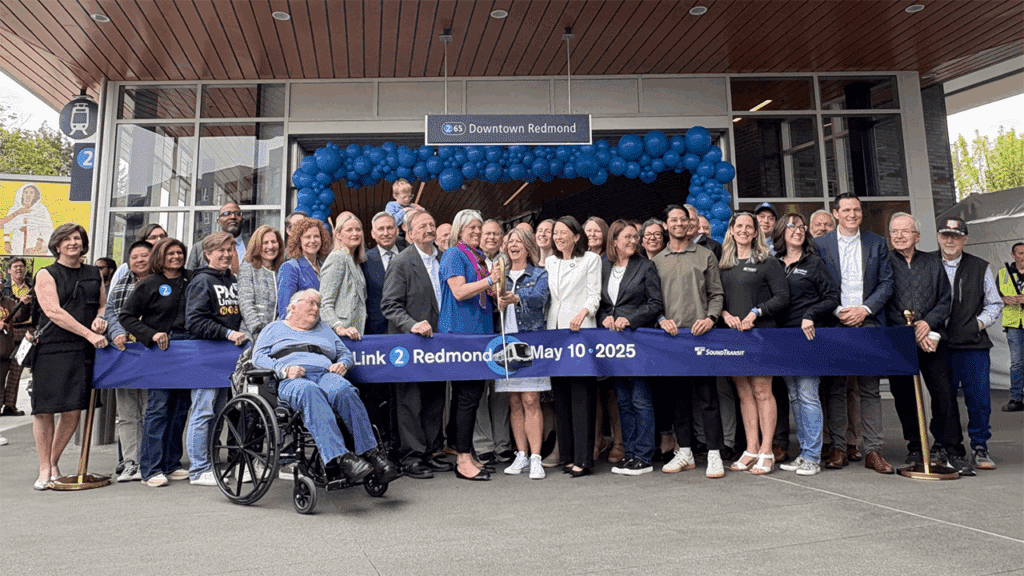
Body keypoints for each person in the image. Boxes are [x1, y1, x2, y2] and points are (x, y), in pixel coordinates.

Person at [252, 289, 399, 488]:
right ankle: (342, 457)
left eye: (318, 305)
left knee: (345, 391)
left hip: (325, 374)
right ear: (293, 306)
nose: (316, 308)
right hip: (294, 378)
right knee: (310, 392)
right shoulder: (273, 328)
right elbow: (258, 357)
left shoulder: (324, 329)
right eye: (311, 303)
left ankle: (373, 454)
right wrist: (283, 369)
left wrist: (343, 364)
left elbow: (344, 354)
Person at [813, 193, 894, 473]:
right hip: (834, 321)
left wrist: (865, 309)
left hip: (868, 321)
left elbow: (886, 282)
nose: (852, 214)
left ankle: (872, 449)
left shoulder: (877, 243)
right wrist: (837, 310)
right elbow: (817, 284)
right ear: (835, 213)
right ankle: (837, 446)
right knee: (835, 387)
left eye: (856, 210)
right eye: (846, 210)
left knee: (869, 388)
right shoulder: (820, 244)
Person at [883, 213, 965, 473]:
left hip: (931, 339)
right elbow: (882, 299)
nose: (898, 236)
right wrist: (909, 330)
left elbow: (945, 299)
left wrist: (927, 325)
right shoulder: (883, 262)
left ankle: (951, 447)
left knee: (943, 393)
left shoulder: (932, 262)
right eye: (894, 231)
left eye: (905, 231)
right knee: (904, 396)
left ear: (916, 236)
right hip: (898, 340)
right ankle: (916, 447)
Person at [30, 223, 108, 490]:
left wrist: (100, 320)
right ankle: (43, 467)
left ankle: (53, 462)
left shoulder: (93, 272)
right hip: (53, 346)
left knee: (74, 408)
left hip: (83, 348)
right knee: (44, 410)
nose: (73, 242)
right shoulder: (46, 274)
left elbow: (102, 304)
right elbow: (53, 312)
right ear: (57, 245)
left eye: (77, 238)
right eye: (67, 239)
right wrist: (89, 334)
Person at [653, 205, 727, 479]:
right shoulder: (658, 260)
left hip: (702, 336)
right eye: (673, 220)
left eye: (683, 220)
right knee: (678, 399)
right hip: (672, 339)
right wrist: (661, 318)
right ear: (666, 225)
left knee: (708, 398)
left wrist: (711, 318)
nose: (679, 224)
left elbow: (716, 294)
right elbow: (653, 301)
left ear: (690, 224)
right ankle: (684, 452)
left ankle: (714, 455)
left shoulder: (706, 255)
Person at [380, 209, 453, 479]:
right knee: (410, 401)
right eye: (422, 226)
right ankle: (412, 457)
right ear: (409, 234)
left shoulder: (445, 259)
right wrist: (412, 324)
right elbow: (389, 305)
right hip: (409, 343)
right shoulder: (401, 262)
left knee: (435, 398)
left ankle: (432, 450)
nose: (429, 229)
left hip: (439, 342)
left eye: (432, 224)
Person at [120, 237, 194, 487]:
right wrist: (150, 334)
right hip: (161, 349)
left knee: (180, 406)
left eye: (179, 252)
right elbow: (126, 316)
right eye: (170, 253)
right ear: (160, 257)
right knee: (158, 407)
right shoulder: (149, 284)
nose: (176, 257)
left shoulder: (191, 279)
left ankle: (172, 463)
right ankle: (150, 469)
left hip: (187, 347)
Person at [718, 212, 789, 475]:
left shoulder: (768, 263)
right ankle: (751, 448)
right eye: (740, 226)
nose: (745, 230)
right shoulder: (723, 263)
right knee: (744, 393)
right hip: (733, 335)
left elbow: (782, 297)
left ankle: (767, 451)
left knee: (762, 391)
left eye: (750, 226)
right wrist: (724, 315)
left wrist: (756, 313)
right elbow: (718, 298)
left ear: (756, 232)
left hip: (760, 334)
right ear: (732, 231)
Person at [772, 213, 839, 476]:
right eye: (792, 226)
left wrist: (810, 314)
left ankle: (812, 456)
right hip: (783, 339)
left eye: (801, 227)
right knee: (795, 397)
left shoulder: (814, 263)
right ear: (781, 231)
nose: (798, 231)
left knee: (809, 395)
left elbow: (832, 297)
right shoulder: (774, 263)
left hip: (808, 337)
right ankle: (804, 453)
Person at [597, 220, 663, 476]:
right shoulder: (603, 266)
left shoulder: (646, 266)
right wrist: (605, 316)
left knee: (640, 398)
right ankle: (631, 453)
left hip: (637, 341)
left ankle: (644, 457)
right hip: (613, 343)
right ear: (614, 240)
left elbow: (655, 303)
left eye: (636, 237)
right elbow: (601, 302)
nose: (633, 241)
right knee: (623, 400)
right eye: (628, 237)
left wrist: (631, 319)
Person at [937, 217, 1002, 471]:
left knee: (978, 398)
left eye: (956, 236)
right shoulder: (929, 263)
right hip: (940, 345)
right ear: (939, 237)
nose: (950, 240)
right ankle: (942, 445)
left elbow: (994, 303)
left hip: (973, 346)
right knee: (943, 399)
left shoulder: (979, 266)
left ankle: (979, 446)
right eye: (945, 235)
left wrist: (978, 324)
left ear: (965, 239)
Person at [439, 209, 500, 481]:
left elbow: (484, 293)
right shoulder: (454, 254)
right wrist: (489, 281)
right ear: (459, 230)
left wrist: (499, 292)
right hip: (462, 335)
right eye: (471, 227)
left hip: (479, 333)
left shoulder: (478, 258)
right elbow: (459, 291)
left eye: (479, 227)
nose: (477, 232)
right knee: (468, 396)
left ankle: (461, 448)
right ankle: (463, 459)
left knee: (468, 396)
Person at [184, 232, 248, 485]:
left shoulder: (232, 279)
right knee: (202, 412)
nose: (225, 254)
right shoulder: (201, 281)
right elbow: (195, 321)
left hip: (225, 358)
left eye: (229, 249)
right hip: (205, 355)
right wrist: (227, 332)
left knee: (218, 412)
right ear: (207, 254)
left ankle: (210, 464)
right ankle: (198, 469)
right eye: (220, 250)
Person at [546, 216, 601, 477]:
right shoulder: (549, 262)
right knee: (562, 397)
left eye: (563, 232)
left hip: (580, 331)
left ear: (577, 236)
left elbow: (594, 294)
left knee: (581, 397)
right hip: (554, 335)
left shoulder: (591, 260)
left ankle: (583, 459)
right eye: (555, 232)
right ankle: (567, 456)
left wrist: (583, 312)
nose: (558, 236)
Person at [494, 227, 550, 479]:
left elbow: (541, 298)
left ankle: (536, 457)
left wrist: (517, 298)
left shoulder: (539, 273)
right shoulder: (500, 274)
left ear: (528, 246)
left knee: (531, 400)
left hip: (531, 341)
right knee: (514, 401)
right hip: (505, 342)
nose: (513, 246)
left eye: (518, 242)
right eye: (510, 242)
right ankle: (521, 455)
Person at [104, 240, 153, 483]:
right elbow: (110, 311)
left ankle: (149, 461)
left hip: (151, 352)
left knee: (149, 408)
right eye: (134, 257)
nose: (139, 260)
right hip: (123, 352)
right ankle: (131, 461)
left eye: (145, 256)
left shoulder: (161, 282)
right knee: (126, 411)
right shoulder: (121, 282)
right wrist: (116, 333)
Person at [474, 219, 512, 464]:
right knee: (479, 389)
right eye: (487, 233)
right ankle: (483, 444)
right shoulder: (472, 260)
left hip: (504, 329)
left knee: (501, 390)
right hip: (478, 329)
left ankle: (503, 443)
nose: (491, 238)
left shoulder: (508, 261)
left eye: (496, 234)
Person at [321, 214, 368, 339]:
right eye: (349, 230)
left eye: (358, 229)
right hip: (340, 335)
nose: (355, 233)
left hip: (356, 333)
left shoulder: (354, 260)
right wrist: (339, 328)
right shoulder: (337, 258)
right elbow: (324, 303)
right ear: (338, 235)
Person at [276, 217, 330, 321]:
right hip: (300, 330)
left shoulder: (324, 266)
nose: (312, 240)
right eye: (307, 237)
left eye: (316, 236)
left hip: (321, 328)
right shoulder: (290, 267)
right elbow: (285, 309)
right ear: (298, 240)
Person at [237, 225, 284, 339]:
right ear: (257, 245)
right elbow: (245, 303)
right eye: (265, 243)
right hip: (252, 335)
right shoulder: (248, 267)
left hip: (276, 335)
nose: (270, 246)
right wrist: (258, 329)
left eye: (273, 242)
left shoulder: (281, 270)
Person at [0, 257, 31, 416]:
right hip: (7, 334)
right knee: (2, 370)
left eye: (21, 266)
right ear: (9, 270)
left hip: (27, 332)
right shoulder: (3, 289)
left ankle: (10, 405)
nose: (19, 269)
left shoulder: (31, 288)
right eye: (15, 266)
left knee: (17, 369)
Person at [997, 242, 1024, 412]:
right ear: (1013, 255)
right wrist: (1003, 299)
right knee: (1017, 363)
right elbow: (993, 296)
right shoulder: (1002, 274)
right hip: (1013, 324)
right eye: (1020, 253)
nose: (1023, 256)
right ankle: (1016, 399)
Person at [364, 212, 401, 336]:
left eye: (390, 228)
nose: (386, 233)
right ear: (373, 234)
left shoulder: (410, 256)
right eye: (381, 229)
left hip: (408, 329)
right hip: (376, 331)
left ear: (397, 231)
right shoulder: (364, 260)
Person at [187, 202, 246, 271]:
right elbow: (190, 275)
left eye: (237, 214)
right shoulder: (199, 247)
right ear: (219, 222)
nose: (233, 217)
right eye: (226, 214)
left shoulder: (255, 244)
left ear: (242, 220)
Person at [110, 223, 168, 289]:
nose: (159, 240)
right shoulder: (125, 268)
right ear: (142, 241)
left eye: (162, 236)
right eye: (153, 237)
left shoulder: (171, 265)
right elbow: (113, 297)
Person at [2, 183, 53, 256]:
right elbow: (7, 226)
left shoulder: (40, 209)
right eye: (26, 192)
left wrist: (40, 240)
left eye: (31, 193)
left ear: (35, 196)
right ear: (22, 195)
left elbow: (47, 226)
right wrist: (7, 242)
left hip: (34, 240)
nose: (28, 195)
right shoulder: (15, 209)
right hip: (18, 240)